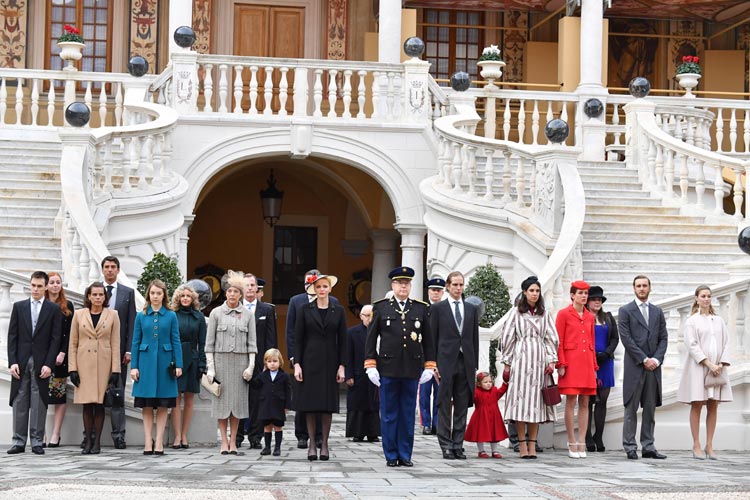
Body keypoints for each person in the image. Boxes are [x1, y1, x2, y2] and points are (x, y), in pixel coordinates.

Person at [365, 266, 436, 467]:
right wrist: (370, 364)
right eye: (399, 282)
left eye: (406, 283)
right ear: (393, 285)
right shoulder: (381, 307)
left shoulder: (420, 308)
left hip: (412, 369)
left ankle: (405, 454)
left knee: (406, 414)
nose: (403, 286)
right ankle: (390, 454)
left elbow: (428, 340)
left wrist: (430, 366)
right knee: (388, 414)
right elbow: (371, 339)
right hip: (388, 368)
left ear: (410, 285)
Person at [499, 275, 558, 459]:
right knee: (520, 404)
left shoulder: (544, 313)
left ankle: (533, 444)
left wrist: (551, 360)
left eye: (537, 291)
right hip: (521, 361)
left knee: (536, 405)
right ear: (524, 292)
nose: (534, 294)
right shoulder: (516, 313)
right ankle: (521, 444)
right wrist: (507, 364)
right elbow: (507, 338)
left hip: (539, 361)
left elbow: (551, 338)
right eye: (531, 290)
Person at [7, 271, 62, 455]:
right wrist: (12, 361)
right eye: (33, 285)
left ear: (46, 287)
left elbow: (55, 339)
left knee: (39, 401)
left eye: (39, 286)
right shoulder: (18, 306)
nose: (36, 289)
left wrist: (49, 364)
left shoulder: (53, 309)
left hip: (42, 363)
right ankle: (18, 441)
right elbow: (12, 337)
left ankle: (37, 441)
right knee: (20, 399)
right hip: (21, 361)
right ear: (29, 285)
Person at [294, 274, 347, 461]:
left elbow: (343, 340)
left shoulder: (338, 310)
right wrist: (297, 364)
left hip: (331, 361)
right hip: (309, 360)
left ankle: (324, 443)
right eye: (319, 287)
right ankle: (311, 444)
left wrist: (342, 366)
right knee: (310, 405)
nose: (322, 289)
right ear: (314, 290)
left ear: (330, 289)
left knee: (326, 405)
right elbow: (298, 339)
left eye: (325, 286)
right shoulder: (304, 309)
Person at [677, 285, 733, 460]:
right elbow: (691, 345)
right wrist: (708, 363)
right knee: (697, 403)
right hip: (699, 367)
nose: (706, 299)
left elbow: (727, 342)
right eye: (703, 296)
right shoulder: (692, 321)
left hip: (718, 369)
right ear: (697, 298)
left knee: (713, 405)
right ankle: (696, 444)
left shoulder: (719, 320)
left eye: (709, 296)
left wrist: (721, 364)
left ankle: (709, 444)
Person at [205, 270, 257, 455]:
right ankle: (223, 441)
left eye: (236, 291)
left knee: (237, 405)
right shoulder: (216, 313)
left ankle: (233, 441)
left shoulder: (248, 315)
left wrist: (250, 367)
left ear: (241, 294)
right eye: (229, 291)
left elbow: (252, 344)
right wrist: (211, 368)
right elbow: (209, 344)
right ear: (225, 293)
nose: (232, 294)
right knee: (222, 405)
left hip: (240, 364)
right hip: (221, 363)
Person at [618, 275, 668, 460]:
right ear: (633, 288)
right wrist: (643, 359)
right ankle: (630, 446)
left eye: (644, 285)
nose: (641, 288)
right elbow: (626, 339)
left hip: (653, 368)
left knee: (650, 408)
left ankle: (648, 446)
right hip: (635, 366)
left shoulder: (657, 311)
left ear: (650, 288)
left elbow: (663, 337)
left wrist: (656, 359)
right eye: (638, 286)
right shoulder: (625, 311)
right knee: (630, 408)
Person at [286, 268, 337, 449]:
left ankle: (320, 437)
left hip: (326, 358)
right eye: (309, 282)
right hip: (305, 356)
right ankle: (302, 435)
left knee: (323, 399)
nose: (312, 285)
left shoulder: (334, 303)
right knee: (303, 398)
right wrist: (294, 357)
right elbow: (292, 332)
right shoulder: (297, 301)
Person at [130, 279, 183, 456]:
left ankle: (159, 440)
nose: (155, 296)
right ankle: (147, 440)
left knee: (162, 405)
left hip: (165, 364)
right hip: (144, 364)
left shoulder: (171, 315)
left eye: (159, 293)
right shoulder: (141, 315)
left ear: (164, 295)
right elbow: (136, 342)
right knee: (146, 405)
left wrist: (179, 364)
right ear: (148, 294)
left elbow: (176, 340)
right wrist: (134, 366)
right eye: (152, 293)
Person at [431, 271, 479, 460]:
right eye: (455, 285)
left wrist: (474, 365)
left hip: (465, 362)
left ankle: (458, 444)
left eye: (461, 285)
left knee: (461, 404)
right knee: (444, 403)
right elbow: (432, 338)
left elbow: (474, 338)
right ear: (448, 286)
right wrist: (432, 364)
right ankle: (445, 444)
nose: (458, 288)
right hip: (445, 362)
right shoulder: (438, 309)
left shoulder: (471, 309)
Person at [68, 282, 121, 454]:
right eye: (94, 294)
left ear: (105, 297)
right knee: (86, 404)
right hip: (83, 364)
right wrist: (72, 369)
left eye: (101, 294)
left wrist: (115, 370)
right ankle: (88, 441)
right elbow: (73, 343)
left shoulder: (113, 315)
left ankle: (97, 442)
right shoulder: (78, 314)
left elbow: (116, 344)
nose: (98, 298)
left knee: (99, 405)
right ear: (89, 296)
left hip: (103, 364)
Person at [555, 280, 598, 459]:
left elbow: (592, 342)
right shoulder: (563, 314)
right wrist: (561, 364)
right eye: (580, 293)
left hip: (587, 362)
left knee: (585, 402)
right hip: (571, 362)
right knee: (571, 401)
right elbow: (559, 341)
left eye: (586, 293)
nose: (583, 296)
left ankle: (582, 441)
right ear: (572, 295)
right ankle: (571, 441)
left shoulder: (589, 316)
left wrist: (594, 365)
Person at [238, 273, 277, 450]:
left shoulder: (267, 310)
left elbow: (271, 339)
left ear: (257, 288)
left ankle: (255, 436)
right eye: (247, 285)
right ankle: (237, 436)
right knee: (238, 400)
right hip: (238, 360)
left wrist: (269, 363)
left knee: (257, 401)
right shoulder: (235, 308)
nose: (250, 288)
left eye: (253, 285)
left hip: (260, 362)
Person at [101, 256, 136, 449]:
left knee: (118, 394)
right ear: (102, 269)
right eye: (106, 267)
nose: (110, 270)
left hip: (120, 352)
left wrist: (129, 350)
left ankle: (119, 435)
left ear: (118, 269)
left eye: (113, 267)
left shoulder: (127, 293)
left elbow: (131, 324)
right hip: (97, 352)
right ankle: (92, 434)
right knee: (96, 394)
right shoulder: (95, 291)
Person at [170, 284, 207, 450]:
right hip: (176, 358)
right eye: (182, 296)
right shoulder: (172, 315)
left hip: (192, 358)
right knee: (176, 398)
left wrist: (202, 363)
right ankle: (177, 435)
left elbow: (202, 343)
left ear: (193, 299)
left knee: (190, 399)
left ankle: (185, 434)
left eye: (188, 296)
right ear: (178, 298)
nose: (185, 298)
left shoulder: (199, 317)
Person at [584, 285, 619, 453]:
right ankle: (587, 436)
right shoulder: (583, 317)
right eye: (594, 299)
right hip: (587, 362)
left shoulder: (608, 317)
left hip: (605, 362)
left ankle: (599, 435)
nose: (597, 302)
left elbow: (614, 338)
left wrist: (607, 352)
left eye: (599, 299)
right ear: (588, 301)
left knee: (602, 401)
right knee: (588, 400)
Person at [45, 271, 74, 448]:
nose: (55, 285)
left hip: (60, 358)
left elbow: (69, 332)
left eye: (58, 282)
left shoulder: (67, 305)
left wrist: (63, 352)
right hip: (43, 356)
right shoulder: (42, 304)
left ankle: (56, 434)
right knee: (40, 397)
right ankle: (41, 434)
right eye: (52, 282)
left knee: (59, 396)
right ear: (46, 285)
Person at [345, 305, 380, 443]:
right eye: (366, 315)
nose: (369, 319)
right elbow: (348, 355)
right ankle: (357, 433)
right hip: (357, 374)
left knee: (373, 404)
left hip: (375, 374)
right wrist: (349, 375)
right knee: (357, 404)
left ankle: (373, 433)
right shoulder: (352, 333)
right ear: (361, 316)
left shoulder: (379, 333)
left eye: (371, 316)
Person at [419, 277, 445, 435]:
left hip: (442, 358)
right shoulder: (422, 309)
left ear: (442, 292)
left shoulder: (445, 309)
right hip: (424, 357)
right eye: (433, 290)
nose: (435, 293)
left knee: (439, 393)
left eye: (438, 290)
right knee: (424, 393)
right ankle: (426, 423)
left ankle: (436, 423)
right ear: (428, 291)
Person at [255, 348, 291, 456]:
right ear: (265, 362)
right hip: (265, 404)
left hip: (278, 405)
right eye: (269, 361)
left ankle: (277, 447)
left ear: (280, 362)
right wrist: (248, 378)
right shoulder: (263, 375)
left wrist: (287, 405)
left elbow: (288, 391)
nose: (272, 364)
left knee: (278, 426)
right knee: (267, 427)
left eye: (275, 361)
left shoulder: (284, 376)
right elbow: (255, 385)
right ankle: (267, 447)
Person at [464, 371, 508, 459]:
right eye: (485, 382)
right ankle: (481, 451)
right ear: (479, 383)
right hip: (481, 416)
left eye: (490, 382)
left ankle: (494, 451)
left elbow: (501, 391)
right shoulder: (476, 392)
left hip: (494, 416)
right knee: (480, 434)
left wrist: (505, 384)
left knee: (495, 433)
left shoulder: (494, 391)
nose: (488, 384)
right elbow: (470, 397)